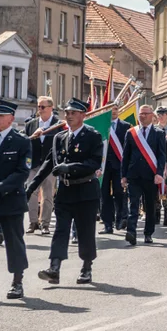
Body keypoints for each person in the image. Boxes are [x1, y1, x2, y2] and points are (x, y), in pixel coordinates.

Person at [27, 98, 104, 285]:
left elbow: (94, 163)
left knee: (85, 231)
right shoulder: (59, 138)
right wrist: (31, 187)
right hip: (65, 192)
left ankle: (86, 267)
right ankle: (54, 268)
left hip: (85, 191)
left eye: (73, 113)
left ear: (83, 115)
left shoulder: (93, 136)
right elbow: (47, 164)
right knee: (60, 231)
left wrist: (70, 167)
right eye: (67, 113)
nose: (69, 116)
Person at [0, 100, 33, 300]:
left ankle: (17, 282)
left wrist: (0, 188)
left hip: (11, 201)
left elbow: (22, 172)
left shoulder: (21, 141)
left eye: (1, 116)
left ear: (11, 118)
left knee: (14, 243)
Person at [120, 105, 167, 246]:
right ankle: (132, 232)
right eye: (140, 114)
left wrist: (159, 173)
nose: (142, 116)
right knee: (133, 204)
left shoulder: (159, 133)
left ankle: (148, 233)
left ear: (152, 115)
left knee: (150, 206)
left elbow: (161, 155)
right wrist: (123, 175)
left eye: (145, 114)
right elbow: (125, 156)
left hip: (151, 176)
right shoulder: (131, 133)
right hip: (134, 175)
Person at [25, 96, 60, 235]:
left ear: (51, 108)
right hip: (34, 164)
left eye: (42, 107)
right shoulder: (31, 124)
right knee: (31, 191)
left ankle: (45, 223)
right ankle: (33, 222)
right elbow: (25, 143)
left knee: (48, 194)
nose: (40, 109)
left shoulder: (58, 124)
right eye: (38, 106)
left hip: (49, 165)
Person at [99, 110, 130, 234]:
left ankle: (121, 218)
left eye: (116, 109)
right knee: (104, 195)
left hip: (119, 165)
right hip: (104, 165)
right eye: (111, 109)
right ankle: (107, 224)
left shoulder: (125, 126)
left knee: (119, 193)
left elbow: (127, 148)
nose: (114, 112)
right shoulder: (101, 125)